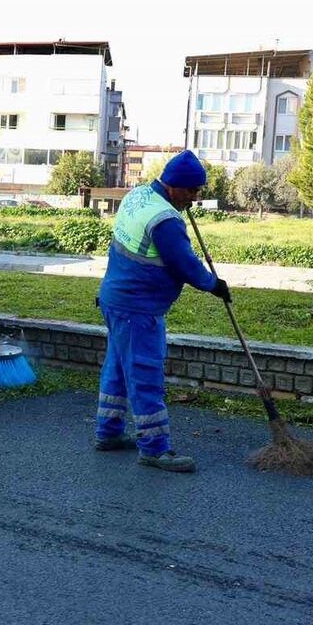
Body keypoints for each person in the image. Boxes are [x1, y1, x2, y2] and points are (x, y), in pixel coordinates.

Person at [94, 150, 232, 473]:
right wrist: (215, 285)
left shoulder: (138, 196)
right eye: (192, 191)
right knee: (145, 375)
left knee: (117, 368)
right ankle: (155, 448)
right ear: (174, 186)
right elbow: (185, 265)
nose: (195, 199)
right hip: (137, 309)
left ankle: (108, 432)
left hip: (114, 299)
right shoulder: (166, 221)